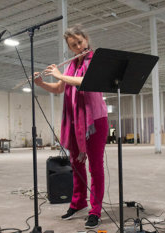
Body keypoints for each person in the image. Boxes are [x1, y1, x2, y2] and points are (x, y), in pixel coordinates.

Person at [34, 24, 108, 229]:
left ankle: (95, 210)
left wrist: (58, 74)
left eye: (80, 42)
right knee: (76, 165)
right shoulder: (72, 64)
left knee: (95, 167)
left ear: (86, 39)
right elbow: (60, 88)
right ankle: (78, 203)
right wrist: (41, 83)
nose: (78, 46)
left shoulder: (96, 59)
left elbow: (84, 81)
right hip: (75, 121)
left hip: (94, 122)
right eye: (73, 45)